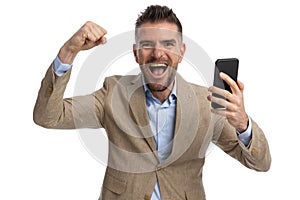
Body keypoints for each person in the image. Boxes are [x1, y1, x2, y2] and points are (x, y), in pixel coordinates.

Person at [33, 5, 271, 200]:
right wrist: (68, 51)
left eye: (168, 44)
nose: (158, 54)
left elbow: (261, 163)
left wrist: (242, 124)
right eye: (148, 45)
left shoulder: (206, 104)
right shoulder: (113, 93)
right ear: (136, 53)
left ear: (181, 51)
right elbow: (47, 116)